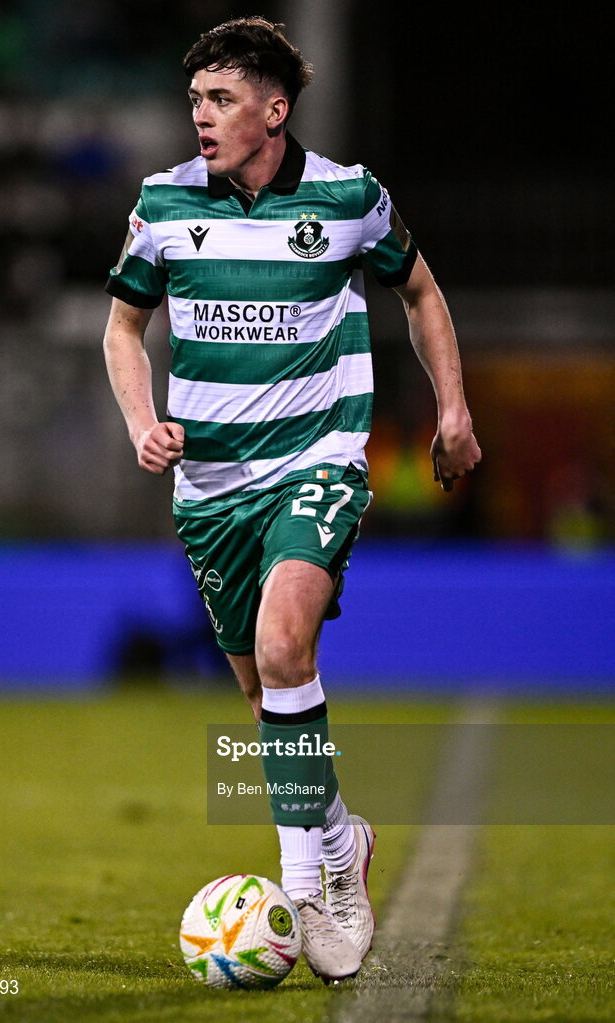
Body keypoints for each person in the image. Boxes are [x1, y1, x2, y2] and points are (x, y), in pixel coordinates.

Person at [103, 16, 481, 982]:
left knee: (283, 647)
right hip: (209, 489)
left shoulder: (349, 198)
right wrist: (143, 421)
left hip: (318, 462)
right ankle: (342, 835)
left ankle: (309, 886)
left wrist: (453, 408)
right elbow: (122, 329)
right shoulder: (163, 203)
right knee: (264, 692)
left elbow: (421, 293)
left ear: (274, 111)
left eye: (221, 99)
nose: (200, 116)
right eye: (195, 99)